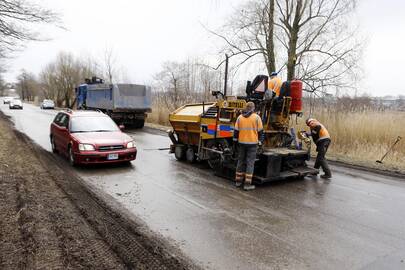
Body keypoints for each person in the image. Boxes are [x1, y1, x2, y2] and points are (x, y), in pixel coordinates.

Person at [233, 102, 264, 190]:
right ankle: (247, 184)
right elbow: (261, 132)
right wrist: (260, 142)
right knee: (250, 163)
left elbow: (236, 132)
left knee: (240, 161)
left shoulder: (239, 117)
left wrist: (235, 143)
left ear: (246, 108)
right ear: (253, 108)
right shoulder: (257, 118)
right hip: (252, 144)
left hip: (241, 143)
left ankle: (238, 182)